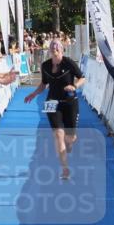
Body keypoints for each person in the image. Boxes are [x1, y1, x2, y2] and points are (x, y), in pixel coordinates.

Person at [24, 39, 86, 180]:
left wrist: (75, 86)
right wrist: (33, 94)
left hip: (70, 102)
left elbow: (82, 78)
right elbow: (44, 84)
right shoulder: (45, 65)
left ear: (62, 50)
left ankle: (69, 142)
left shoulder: (68, 62)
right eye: (52, 48)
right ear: (49, 51)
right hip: (52, 102)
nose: (54, 50)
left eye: (57, 48)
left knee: (71, 137)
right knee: (58, 135)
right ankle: (65, 169)